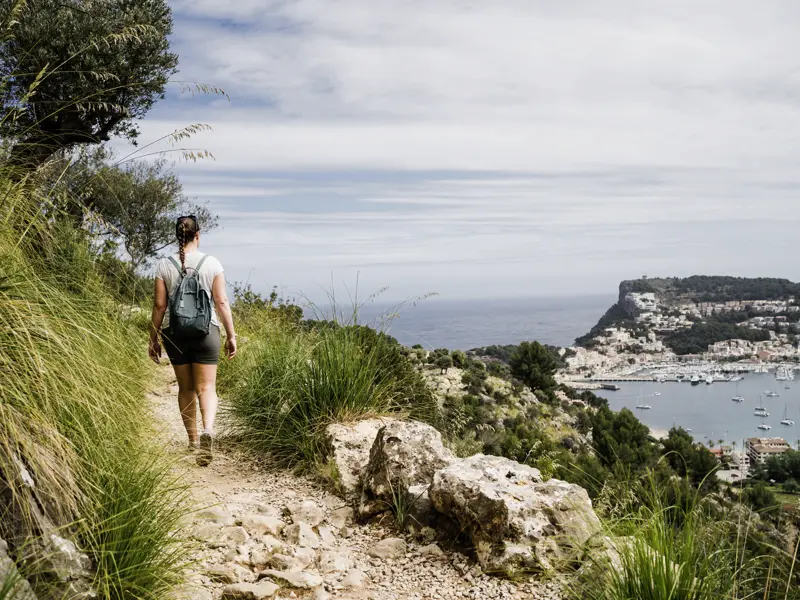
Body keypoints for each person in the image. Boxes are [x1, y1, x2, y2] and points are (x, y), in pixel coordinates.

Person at [148, 215, 237, 466]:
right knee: (207, 388)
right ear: (198, 235)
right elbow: (221, 302)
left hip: (174, 334)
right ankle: (208, 429)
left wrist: (153, 339)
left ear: (177, 236)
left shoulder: (164, 265)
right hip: (206, 332)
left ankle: (193, 441)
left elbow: (159, 305)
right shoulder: (211, 263)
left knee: (186, 389)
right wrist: (231, 336)